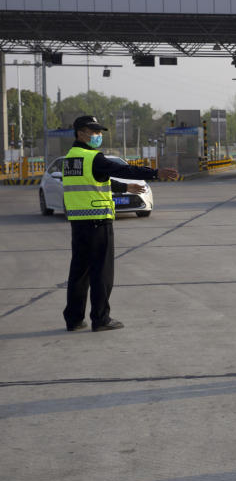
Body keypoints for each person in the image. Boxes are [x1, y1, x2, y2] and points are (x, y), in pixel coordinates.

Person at [63, 115, 178, 332]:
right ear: (80, 133)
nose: (97, 135)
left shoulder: (71, 158)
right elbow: (123, 170)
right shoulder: (93, 158)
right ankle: (101, 319)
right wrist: (154, 172)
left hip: (79, 224)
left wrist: (125, 189)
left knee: (79, 272)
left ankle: (74, 319)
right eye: (93, 131)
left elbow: (96, 180)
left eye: (99, 132)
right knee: (102, 273)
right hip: (98, 222)